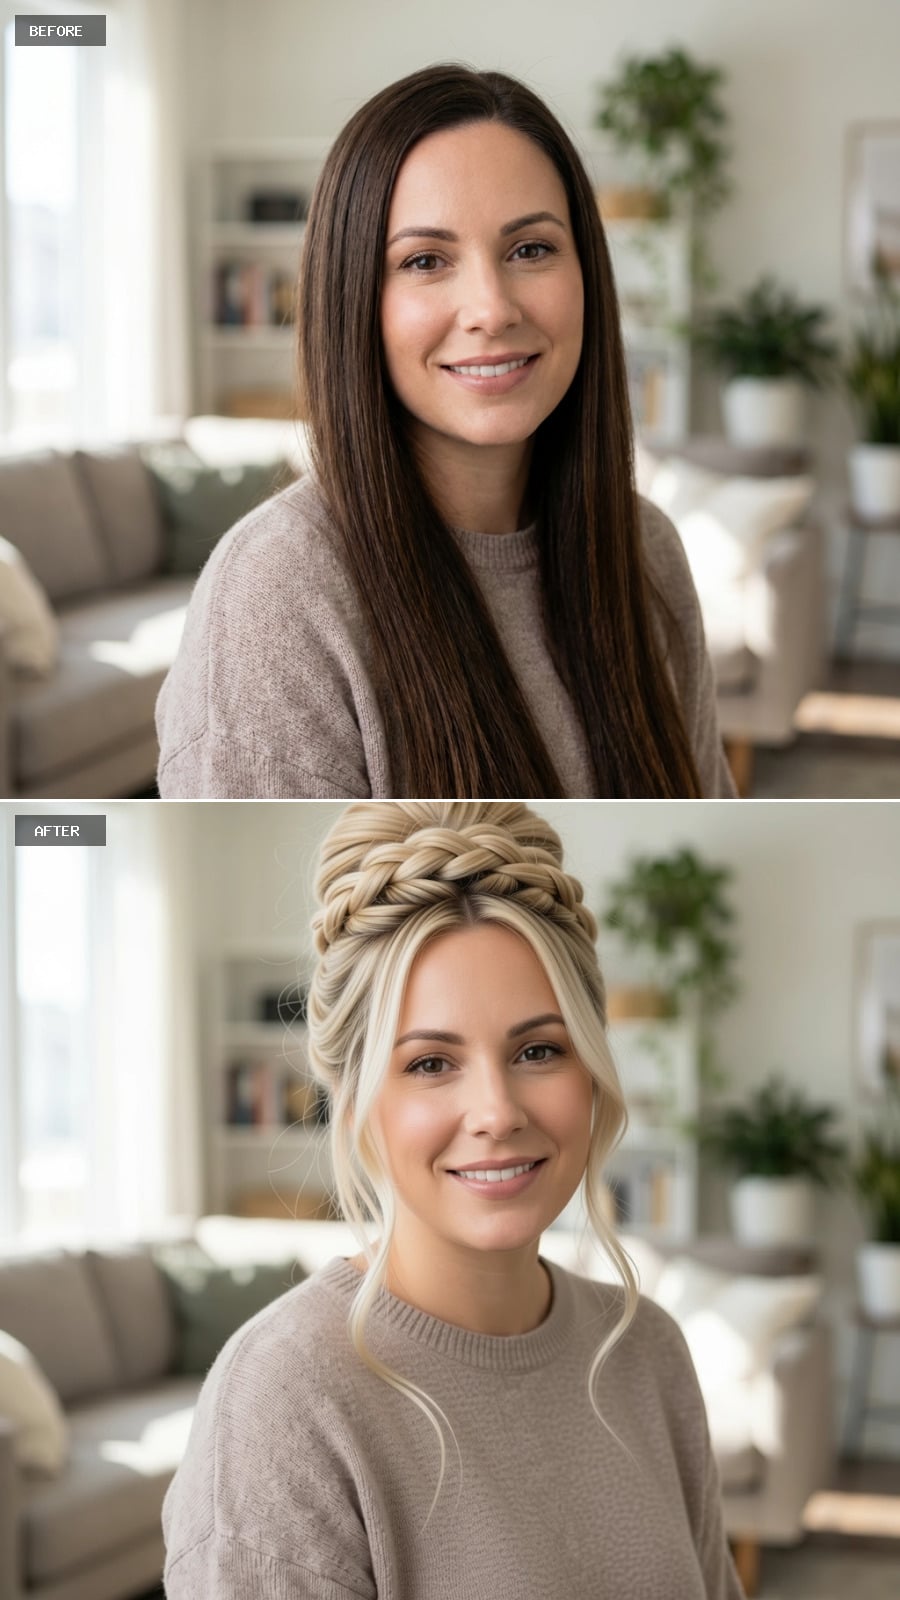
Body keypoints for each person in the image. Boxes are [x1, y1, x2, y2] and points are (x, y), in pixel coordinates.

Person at [162, 801, 744, 1598]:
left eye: (539, 1050)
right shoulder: (282, 1400)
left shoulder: (648, 1351)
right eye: (432, 1064)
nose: (499, 1112)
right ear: (356, 1095)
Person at [155, 65, 736, 799]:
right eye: (425, 261)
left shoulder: (644, 549)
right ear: (354, 299)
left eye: (531, 249)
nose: (491, 308)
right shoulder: (278, 594)